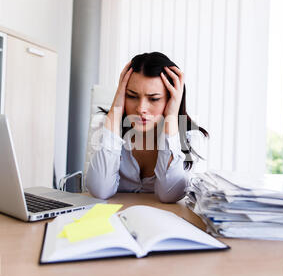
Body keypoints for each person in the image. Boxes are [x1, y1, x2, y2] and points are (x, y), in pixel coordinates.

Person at [85, 52, 209, 203]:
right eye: (132, 96)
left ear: (171, 99)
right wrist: (116, 110)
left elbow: (169, 194)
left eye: (154, 99)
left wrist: (171, 117)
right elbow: (100, 190)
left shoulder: (191, 138)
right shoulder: (107, 126)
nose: (141, 108)